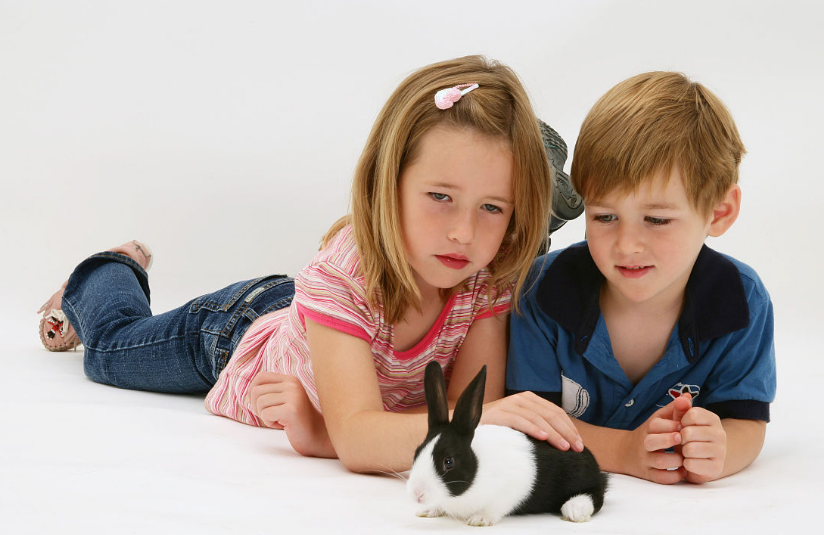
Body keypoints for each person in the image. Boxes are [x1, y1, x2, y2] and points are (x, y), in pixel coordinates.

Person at [36, 55, 584, 473]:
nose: (464, 232)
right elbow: (365, 440)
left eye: (492, 208)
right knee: (109, 351)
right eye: (440, 197)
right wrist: (349, 434)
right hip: (235, 333)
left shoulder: (486, 275)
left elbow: (464, 413)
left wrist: (329, 433)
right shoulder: (346, 273)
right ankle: (109, 269)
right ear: (387, 184)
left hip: (314, 319)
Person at [506, 71, 776, 485]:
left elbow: (746, 422)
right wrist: (623, 451)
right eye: (605, 216)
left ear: (719, 213)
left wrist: (720, 450)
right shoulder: (542, 291)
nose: (627, 245)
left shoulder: (740, 300)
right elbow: (526, 423)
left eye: (656, 219)